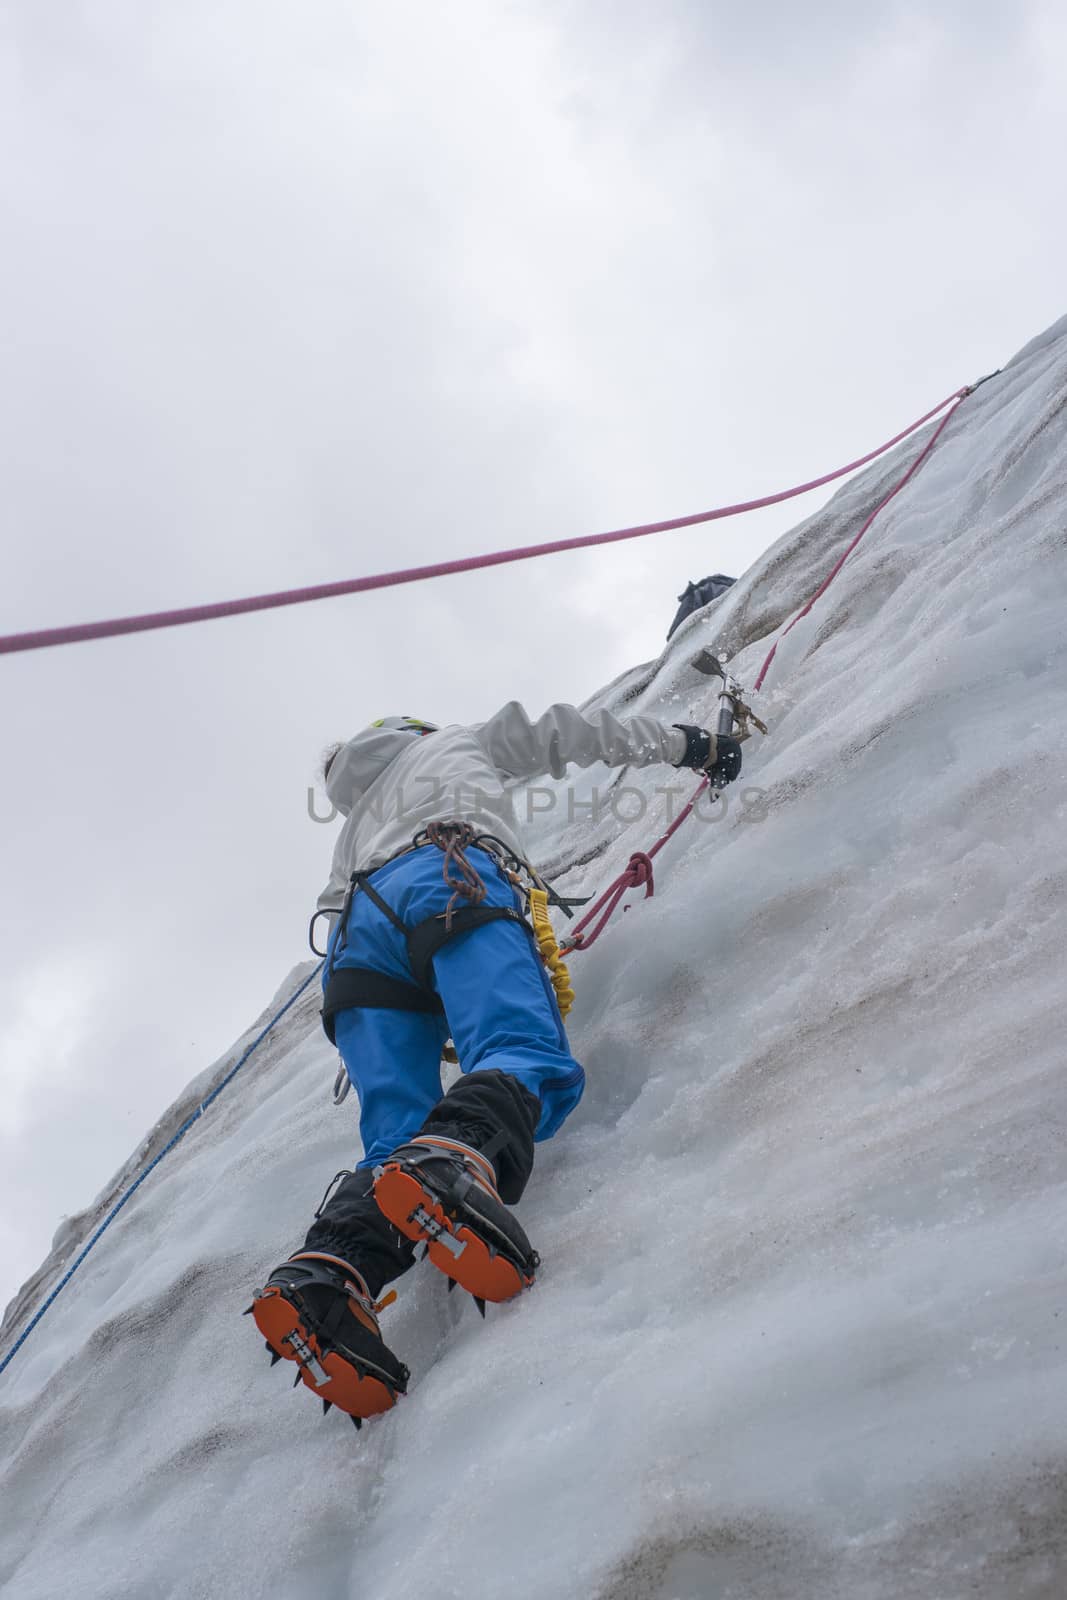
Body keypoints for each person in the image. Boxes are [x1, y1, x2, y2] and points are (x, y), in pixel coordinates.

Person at [250, 703, 741, 1426]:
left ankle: (327, 1275)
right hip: (446, 879)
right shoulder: (452, 744)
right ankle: (451, 1165)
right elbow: (571, 734)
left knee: (395, 1137)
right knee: (518, 1049)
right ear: (413, 731)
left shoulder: (357, 819)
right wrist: (691, 743)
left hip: (354, 947)